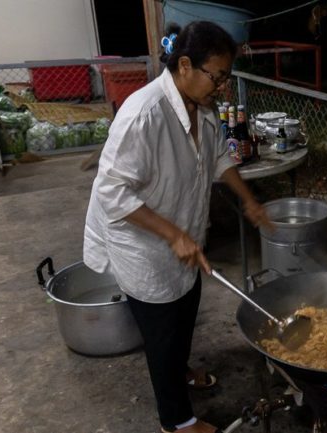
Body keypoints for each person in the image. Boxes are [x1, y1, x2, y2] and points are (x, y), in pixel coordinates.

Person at [83, 21, 271, 433]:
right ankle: (177, 420)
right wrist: (172, 235)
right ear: (185, 65)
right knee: (162, 330)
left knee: (186, 306)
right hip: (141, 242)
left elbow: (221, 158)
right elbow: (112, 192)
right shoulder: (143, 115)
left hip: (182, 231)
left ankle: (178, 370)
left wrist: (250, 200)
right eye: (217, 76)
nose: (221, 86)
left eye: (226, 77)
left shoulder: (202, 106)